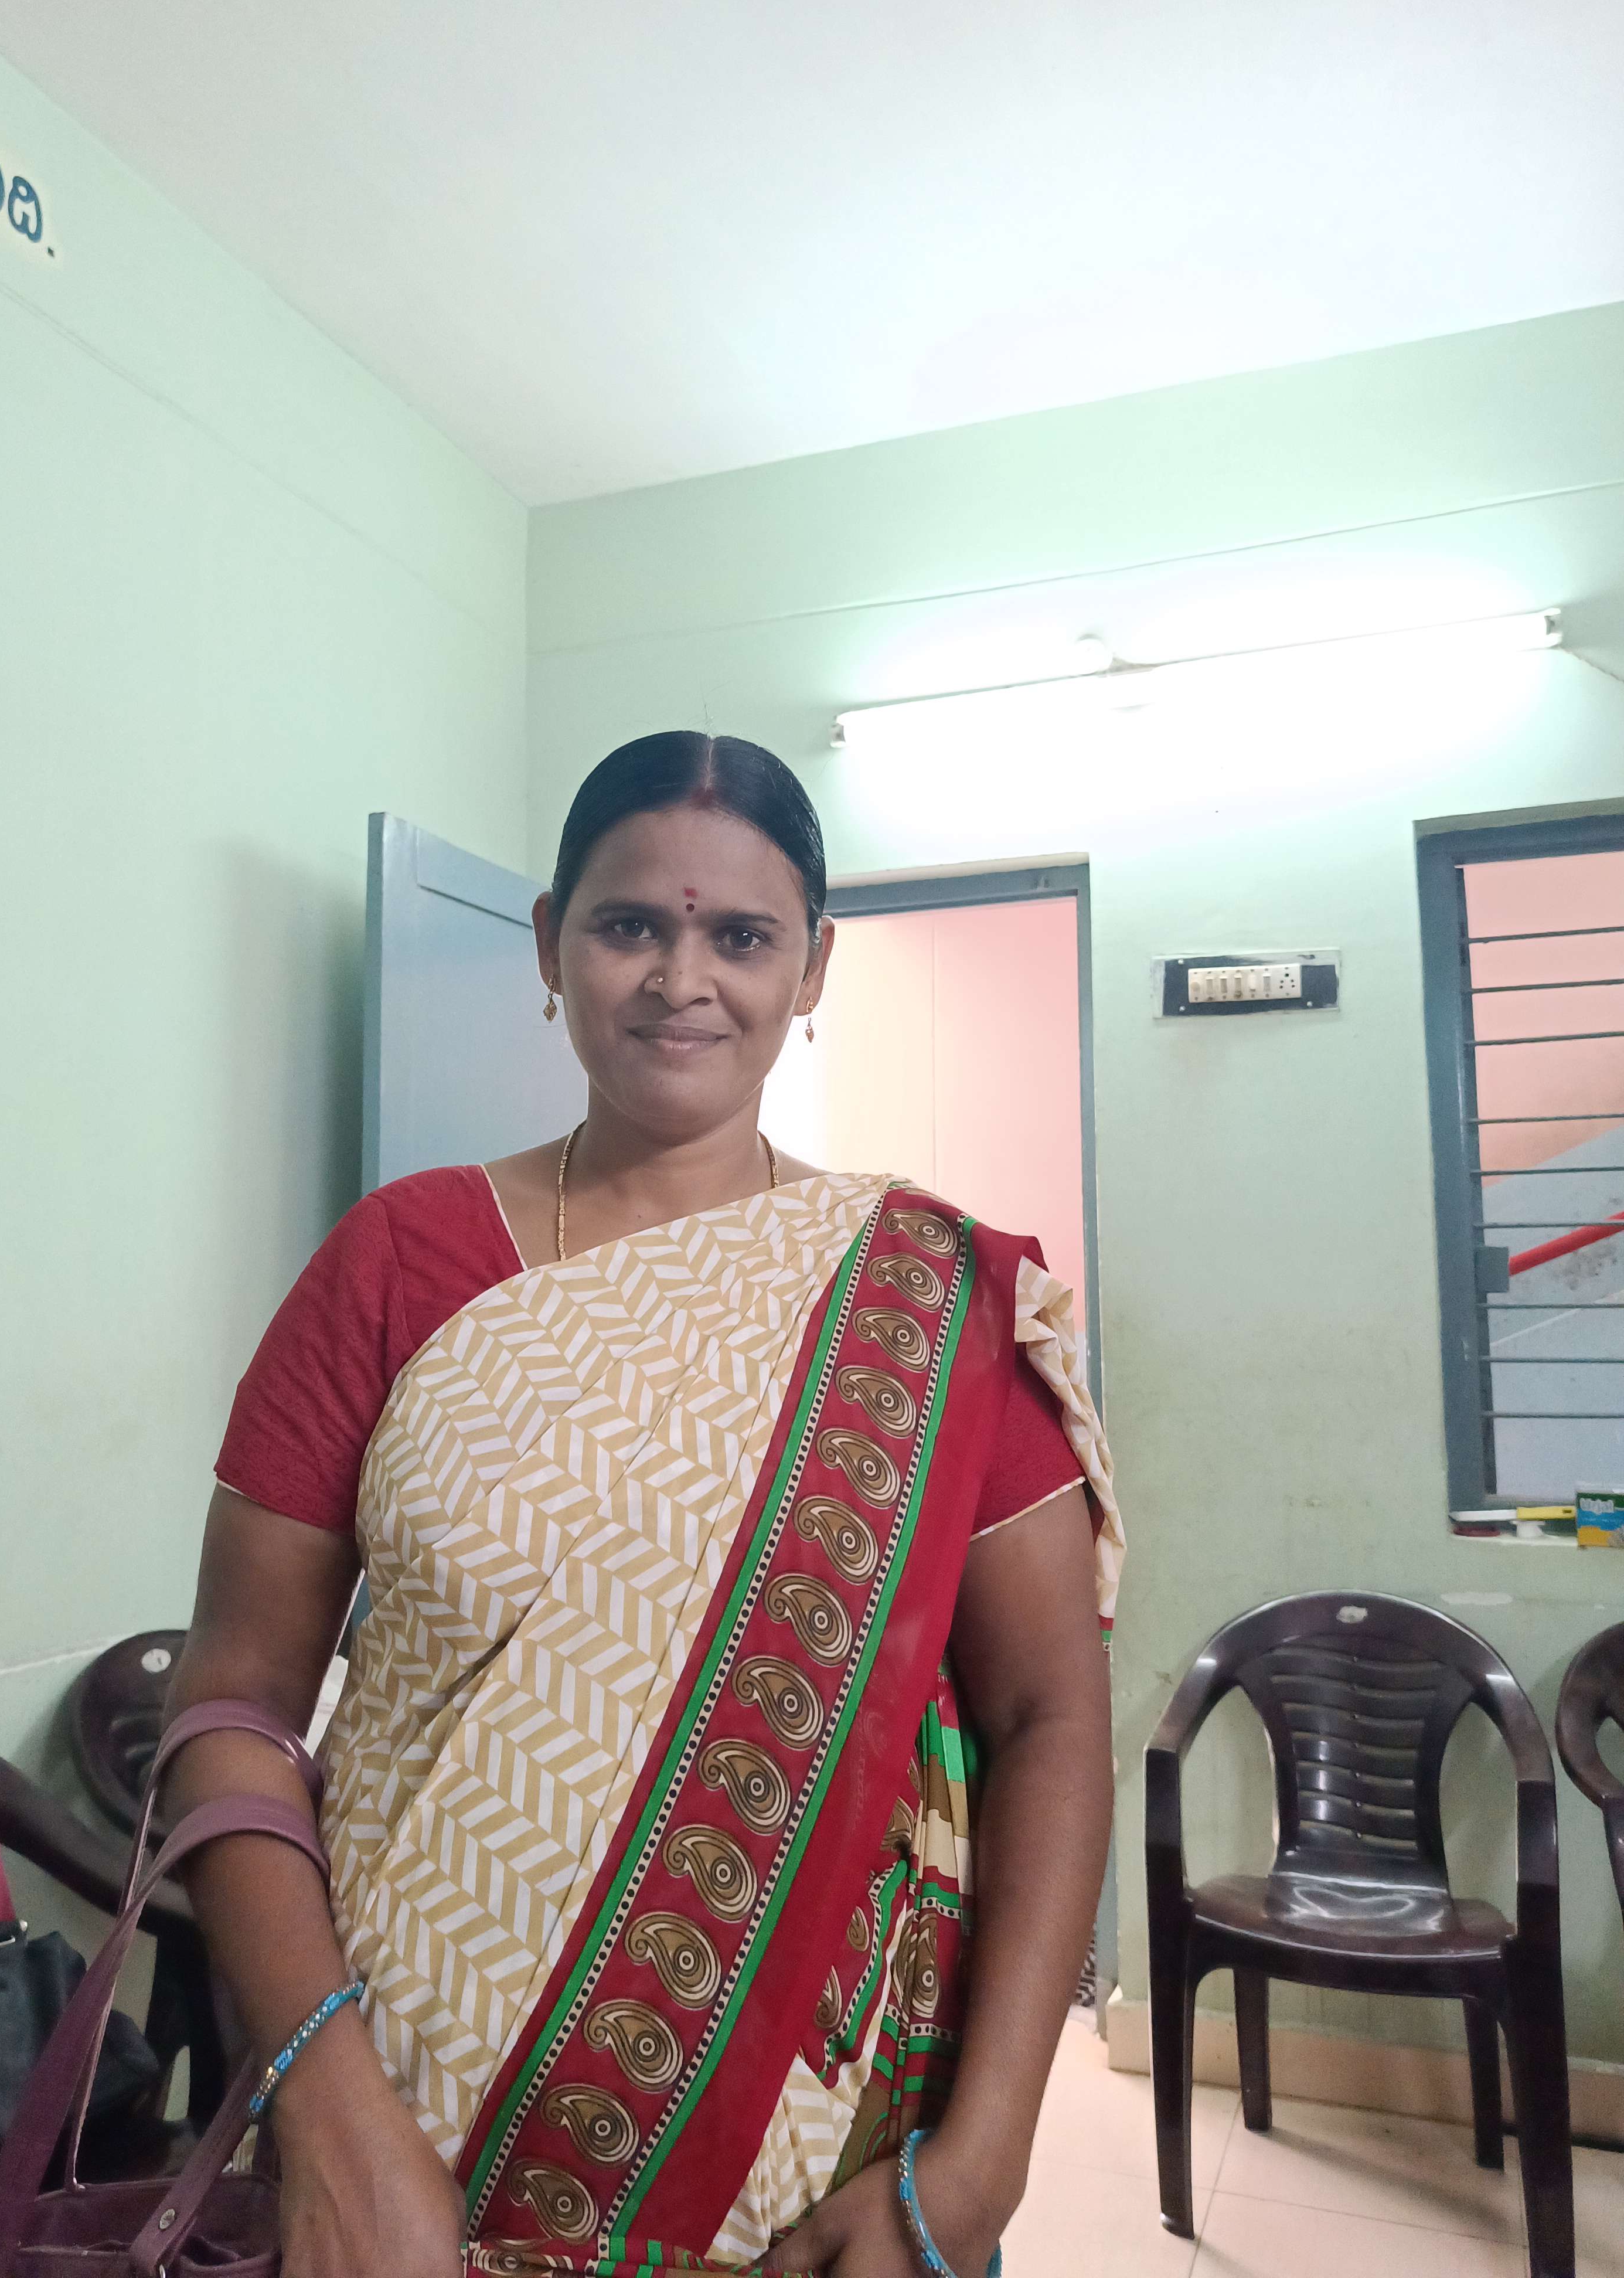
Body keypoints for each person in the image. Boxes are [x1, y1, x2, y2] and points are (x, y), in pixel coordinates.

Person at [164, 731, 1123, 2278]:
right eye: (630, 927)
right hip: (399, 2163)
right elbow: (230, 1707)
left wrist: (981, 2167)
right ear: (551, 944)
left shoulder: (926, 1300)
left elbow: (1052, 1719)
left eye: (742, 936)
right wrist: (326, 2115)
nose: (685, 980)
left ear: (812, 968)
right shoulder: (397, 1262)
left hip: (828, 2191)